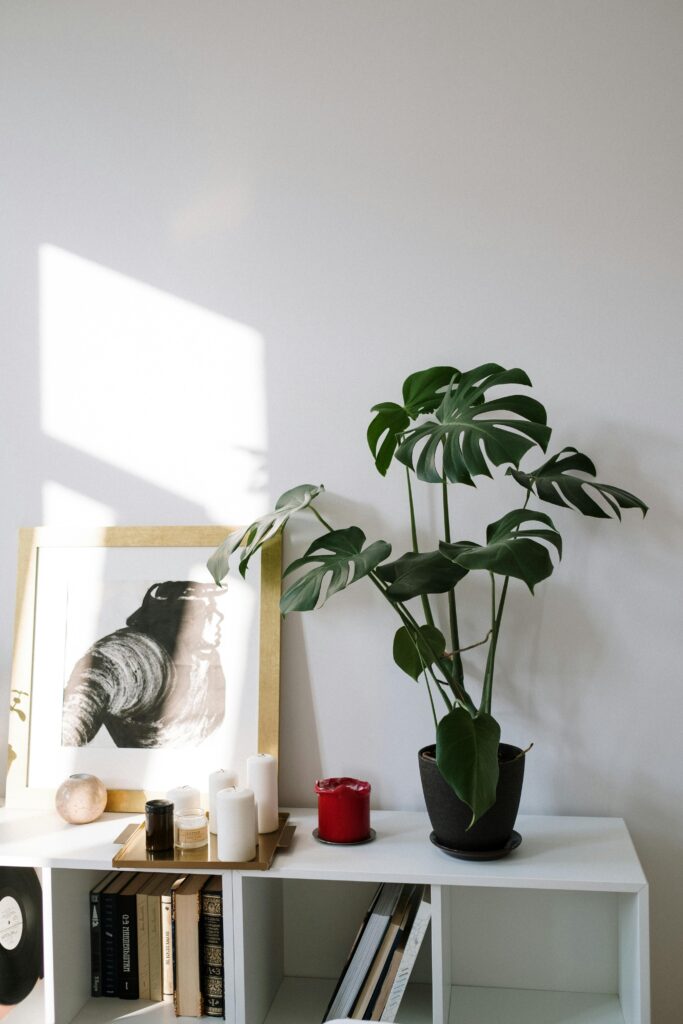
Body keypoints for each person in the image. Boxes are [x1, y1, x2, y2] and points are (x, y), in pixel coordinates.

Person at [61, 581, 226, 748]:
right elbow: (90, 691)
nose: (220, 617)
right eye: (208, 611)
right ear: (180, 619)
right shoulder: (135, 653)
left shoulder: (206, 657)